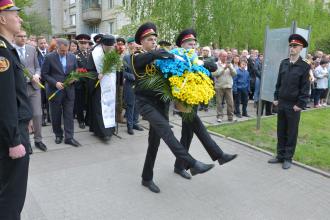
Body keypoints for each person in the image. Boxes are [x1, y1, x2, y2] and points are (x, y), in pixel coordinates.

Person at [131, 22, 215, 193]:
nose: (153, 42)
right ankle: (192, 163)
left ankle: (146, 178)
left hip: (161, 105)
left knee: (154, 143)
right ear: (141, 42)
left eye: (155, 39)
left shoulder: (159, 59)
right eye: (149, 39)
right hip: (146, 104)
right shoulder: (136, 57)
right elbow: (153, 56)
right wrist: (168, 54)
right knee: (167, 132)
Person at [173, 29, 237, 180]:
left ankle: (179, 166)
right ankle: (219, 155)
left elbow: (212, 66)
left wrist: (202, 62)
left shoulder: (195, 57)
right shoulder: (178, 56)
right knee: (198, 126)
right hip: (182, 100)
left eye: (195, 43)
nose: (193, 46)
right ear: (182, 44)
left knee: (187, 135)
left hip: (193, 99)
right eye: (190, 43)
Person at [0, 1, 33, 219]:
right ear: (2, 18)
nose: (20, 19)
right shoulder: (2, 54)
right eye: (15, 15)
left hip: (16, 126)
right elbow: (5, 101)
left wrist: (27, 116)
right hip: (12, 135)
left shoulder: (7, 49)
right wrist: (14, 141)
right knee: (12, 194)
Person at [268, 34, 310, 169]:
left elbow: (305, 87)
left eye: (295, 46)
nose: (292, 48)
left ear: (301, 48)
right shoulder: (284, 63)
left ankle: (288, 158)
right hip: (281, 103)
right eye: (291, 46)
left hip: (294, 106)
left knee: (291, 132)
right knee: (281, 130)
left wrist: (300, 104)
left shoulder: (304, 67)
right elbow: (278, 83)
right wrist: (276, 97)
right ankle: (280, 155)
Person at [41, 38, 81, 147]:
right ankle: (58, 134)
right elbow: (44, 74)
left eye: (66, 50)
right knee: (56, 114)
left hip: (69, 90)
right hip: (55, 90)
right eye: (62, 50)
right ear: (57, 48)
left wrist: (75, 78)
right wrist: (55, 83)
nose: (65, 53)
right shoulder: (49, 57)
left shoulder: (72, 56)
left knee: (69, 114)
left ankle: (69, 137)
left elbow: (76, 70)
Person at [14, 29, 47, 153]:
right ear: (14, 37)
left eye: (24, 36)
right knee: (23, 116)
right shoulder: (10, 50)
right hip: (19, 88)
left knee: (37, 114)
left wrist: (37, 74)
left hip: (34, 86)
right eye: (20, 36)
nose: (23, 38)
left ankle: (38, 140)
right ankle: (26, 142)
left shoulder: (32, 49)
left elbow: (37, 66)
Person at [86, 35, 117, 142]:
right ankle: (102, 132)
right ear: (102, 45)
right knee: (99, 108)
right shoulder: (95, 54)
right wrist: (96, 75)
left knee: (110, 106)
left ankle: (110, 129)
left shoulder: (113, 54)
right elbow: (89, 71)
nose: (110, 49)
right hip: (98, 85)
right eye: (107, 47)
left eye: (111, 46)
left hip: (110, 85)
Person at [123, 37, 144, 135]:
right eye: (131, 44)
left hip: (140, 84)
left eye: (134, 44)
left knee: (138, 105)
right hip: (130, 84)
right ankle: (130, 125)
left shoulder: (141, 55)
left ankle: (135, 123)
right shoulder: (126, 57)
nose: (133, 46)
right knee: (130, 105)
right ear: (128, 46)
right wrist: (133, 76)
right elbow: (123, 72)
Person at [74, 34, 91, 129]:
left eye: (85, 43)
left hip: (89, 82)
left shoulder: (91, 53)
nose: (83, 45)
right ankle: (80, 120)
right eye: (81, 43)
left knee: (89, 101)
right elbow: (75, 69)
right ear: (78, 43)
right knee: (79, 102)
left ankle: (88, 119)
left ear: (88, 44)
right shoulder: (74, 55)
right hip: (79, 82)